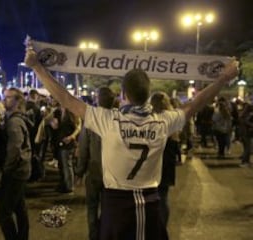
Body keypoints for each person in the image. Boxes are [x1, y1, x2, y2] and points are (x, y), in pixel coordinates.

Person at [24, 44, 238, 240]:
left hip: (115, 203)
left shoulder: (108, 120)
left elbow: (67, 99)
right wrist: (222, 79)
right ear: (147, 95)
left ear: (123, 94)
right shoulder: (162, 121)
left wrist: (37, 68)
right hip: (148, 202)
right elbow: (195, 104)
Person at [76, 87, 116, 240]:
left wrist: (79, 172)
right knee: (107, 210)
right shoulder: (119, 119)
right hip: (112, 174)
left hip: (94, 172)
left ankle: (94, 236)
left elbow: (83, 148)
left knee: (92, 208)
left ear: (98, 100)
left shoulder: (91, 120)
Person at [0, 88, 31, 240]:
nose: (5, 100)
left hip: (15, 171)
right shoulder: (16, 118)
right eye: (5, 97)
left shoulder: (14, 122)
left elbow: (14, 149)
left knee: (3, 214)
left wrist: (6, 169)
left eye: (9, 98)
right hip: (21, 169)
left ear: (17, 101)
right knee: (19, 208)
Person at [150, 92, 181, 227]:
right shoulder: (173, 119)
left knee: (151, 196)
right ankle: (162, 226)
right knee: (163, 196)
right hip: (167, 161)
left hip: (153, 162)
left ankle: (152, 225)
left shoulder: (151, 119)